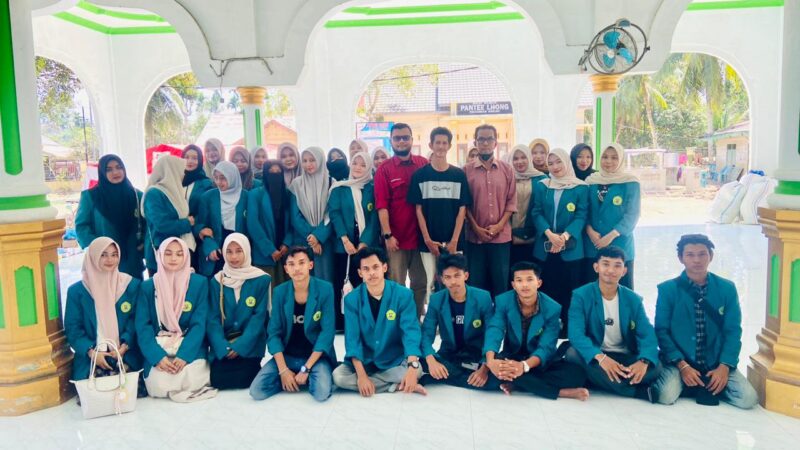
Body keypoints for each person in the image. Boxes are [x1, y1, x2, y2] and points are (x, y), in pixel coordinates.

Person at [651, 234, 758, 408]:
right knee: (665, 395)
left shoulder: (727, 288)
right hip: (680, 362)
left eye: (702, 254)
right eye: (690, 255)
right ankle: (698, 383)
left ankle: (706, 383)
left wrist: (724, 366)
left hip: (716, 361)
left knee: (748, 399)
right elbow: (661, 331)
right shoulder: (668, 289)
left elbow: (733, 330)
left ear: (711, 256)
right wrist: (682, 366)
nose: (697, 260)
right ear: (681, 258)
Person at [566, 246, 661, 401]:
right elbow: (576, 335)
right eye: (605, 264)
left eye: (617, 265)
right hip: (597, 355)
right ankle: (636, 391)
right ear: (596, 267)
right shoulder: (581, 295)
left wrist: (643, 362)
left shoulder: (634, 299)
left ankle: (601, 381)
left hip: (626, 355)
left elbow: (647, 334)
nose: (611, 270)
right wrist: (601, 358)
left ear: (624, 271)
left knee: (657, 365)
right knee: (572, 354)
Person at [483, 261, 588, 400]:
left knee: (577, 375)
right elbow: (495, 330)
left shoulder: (552, 308)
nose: (524, 285)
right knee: (488, 374)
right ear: (513, 285)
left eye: (529, 279)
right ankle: (560, 392)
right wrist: (491, 362)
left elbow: (546, 347)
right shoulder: (503, 301)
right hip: (512, 357)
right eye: (519, 280)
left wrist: (524, 366)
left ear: (539, 283)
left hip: (538, 361)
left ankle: (517, 382)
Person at [332, 247, 426, 396]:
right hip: (365, 359)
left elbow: (410, 331)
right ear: (360, 273)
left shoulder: (403, 295)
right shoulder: (352, 300)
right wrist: (361, 376)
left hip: (393, 359)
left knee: (418, 369)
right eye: (366, 269)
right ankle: (395, 385)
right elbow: (352, 340)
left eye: (376, 267)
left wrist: (412, 365)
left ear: (384, 267)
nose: (371, 273)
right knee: (338, 377)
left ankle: (387, 382)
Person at [250, 247, 336, 401]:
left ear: (310, 265)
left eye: (301, 263)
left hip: (315, 357)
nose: (297, 268)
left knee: (322, 393)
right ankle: (291, 379)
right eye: (291, 264)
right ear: (286, 269)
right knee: (257, 391)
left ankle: (306, 377)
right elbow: (273, 334)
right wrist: (283, 370)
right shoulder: (280, 292)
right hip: (287, 355)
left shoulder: (325, 289)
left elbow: (327, 333)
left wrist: (306, 369)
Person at [136, 238, 217, 402]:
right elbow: (143, 327)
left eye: (179, 254)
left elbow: (199, 324)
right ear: (160, 256)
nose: (174, 258)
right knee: (158, 384)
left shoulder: (198, 283)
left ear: (186, 257)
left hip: (189, 346)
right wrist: (157, 357)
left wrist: (184, 355)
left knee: (193, 378)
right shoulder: (148, 287)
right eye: (168, 253)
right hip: (160, 347)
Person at [408, 126, 471, 304]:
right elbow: (418, 210)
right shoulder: (420, 175)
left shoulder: (458, 175)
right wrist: (428, 240)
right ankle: (433, 317)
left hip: (454, 242)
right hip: (427, 242)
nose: (441, 146)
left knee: (455, 281)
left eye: (444, 143)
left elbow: (462, 210)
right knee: (430, 283)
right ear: (431, 145)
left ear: (449, 146)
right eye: (438, 143)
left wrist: (454, 241)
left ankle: (454, 315)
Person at [65, 237, 142, 381]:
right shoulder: (77, 292)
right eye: (103, 255)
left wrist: (124, 346)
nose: (110, 260)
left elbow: (136, 321)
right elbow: (73, 329)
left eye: (114, 254)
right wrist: (92, 353)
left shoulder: (130, 285)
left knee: (128, 386)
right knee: (96, 388)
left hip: (125, 354)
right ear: (93, 257)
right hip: (91, 358)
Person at [530, 148, 589, 336]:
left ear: (566, 162)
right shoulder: (542, 185)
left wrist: (564, 237)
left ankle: (570, 331)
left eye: (558, 162)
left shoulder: (580, 187)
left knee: (570, 290)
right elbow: (536, 212)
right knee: (548, 289)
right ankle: (549, 329)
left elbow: (581, 215)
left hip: (571, 250)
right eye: (551, 163)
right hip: (545, 247)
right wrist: (550, 234)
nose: (555, 167)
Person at [374, 123, 428, 318]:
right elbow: (382, 206)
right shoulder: (384, 169)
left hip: (421, 239)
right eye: (397, 138)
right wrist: (388, 235)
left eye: (405, 137)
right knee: (396, 283)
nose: (402, 141)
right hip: (396, 240)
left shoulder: (423, 164)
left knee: (420, 283)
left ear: (412, 140)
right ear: (391, 141)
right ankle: (397, 323)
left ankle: (415, 321)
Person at [420, 253, 496, 390]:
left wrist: (485, 367)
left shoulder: (483, 297)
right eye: (448, 277)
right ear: (442, 279)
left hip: (475, 354)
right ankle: (465, 377)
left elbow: (492, 334)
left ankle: (441, 377)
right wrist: (431, 361)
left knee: (496, 372)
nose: (453, 282)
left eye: (457, 276)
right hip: (449, 354)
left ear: (465, 276)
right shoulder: (437, 300)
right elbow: (426, 333)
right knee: (421, 360)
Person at [207, 234, 270, 390]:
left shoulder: (261, 279)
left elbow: (259, 318)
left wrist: (240, 346)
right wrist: (223, 347)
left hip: (250, 345)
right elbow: (213, 319)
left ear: (246, 251)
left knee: (244, 379)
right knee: (217, 380)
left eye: (238, 251)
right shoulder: (217, 281)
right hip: (224, 344)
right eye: (229, 251)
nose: (234, 257)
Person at [327, 151, 379, 331]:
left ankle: (367, 321)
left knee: (367, 281)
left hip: (367, 244)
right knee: (343, 281)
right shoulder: (340, 187)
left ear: (369, 168)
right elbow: (334, 213)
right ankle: (343, 323)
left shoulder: (372, 188)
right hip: (343, 245)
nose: (358, 168)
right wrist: (345, 239)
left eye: (363, 165)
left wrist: (364, 242)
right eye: (355, 163)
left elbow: (374, 218)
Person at [464, 124, 517, 297]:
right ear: (475, 142)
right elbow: (464, 205)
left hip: (501, 238)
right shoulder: (466, 171)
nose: (485, 143)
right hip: (474, 238)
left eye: (489, 139)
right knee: (476, 286)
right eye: (481, 139)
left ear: (495, 143)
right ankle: (479, 316)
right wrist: (476, 228)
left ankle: (500, 316)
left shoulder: (507, 170)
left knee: (501, 285)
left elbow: (511, 202)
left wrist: (499, 226)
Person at [75, 154, 145, 278]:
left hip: (132, 260)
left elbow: (147, 224)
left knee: (132, 289)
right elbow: (82, 226)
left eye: (119, 167)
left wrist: (143, 243)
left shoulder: (137, 196)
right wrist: (98, 247)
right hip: (104, 260)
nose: (115, 172)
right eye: (109, 169)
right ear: (102, 172)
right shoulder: (91, 196)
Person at [584, 143, 641, 289]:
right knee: (594, 289)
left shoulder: (630, 182)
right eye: (605, 157)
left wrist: (611, 236)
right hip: (593, 244)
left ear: (621, 159)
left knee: (622, 290)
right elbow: (584, 210)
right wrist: (590, 231)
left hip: (620, 243)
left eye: (614, 158)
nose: (608, 161)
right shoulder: (591, 181)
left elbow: (632, 214)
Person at [142, 155, 196, 276]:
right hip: (161, 254)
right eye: (181, 170)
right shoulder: (154, 193)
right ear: (171, 171)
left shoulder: (173, 191)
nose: (183, 174)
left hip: (176, 253)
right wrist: (187, 223)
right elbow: (162, 224)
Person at [195, 161, 249, 276]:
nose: (219, 182)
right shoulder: (208, 197)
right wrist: (209, 246)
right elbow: (201, 226)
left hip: (239, 249)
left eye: (223, 178)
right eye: (216, 178)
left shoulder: (246, 197)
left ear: (232, 177)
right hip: (216, 248)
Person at [289, 147, 334, 283]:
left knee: (325, 278)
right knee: (303, 279)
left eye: (312, 160)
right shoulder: (296, 184)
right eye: (305, 161)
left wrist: (318, 236)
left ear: (320, 160)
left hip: (324, 240)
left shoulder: (331, 182)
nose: (308, 164)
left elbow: (331, 213)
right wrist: (311, 238)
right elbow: (295, 216)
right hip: (303, 240)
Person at [247, 159, 291, 282]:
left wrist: (286, 243)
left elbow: (291, 223)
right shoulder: (255, 195)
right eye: (271, 171)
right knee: (267, 289)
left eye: (278, 171)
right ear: (265, 174)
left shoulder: (287, 194)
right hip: (264, 254)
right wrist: (270, 249)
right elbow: (253, 224)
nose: (275, 174)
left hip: (284, 253)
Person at [505, 144, 547, 267]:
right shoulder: (507, 178)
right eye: (515, 158)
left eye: (523, 157)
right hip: (509, 237)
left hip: (535, 236)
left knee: (533, 271)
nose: (520, 161)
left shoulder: (542, 179)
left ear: (529, 158)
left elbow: (544, 209)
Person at [182, 145, 214, 220]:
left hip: (197, 225)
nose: (190, 161)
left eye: (194, 158)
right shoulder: (176, 180)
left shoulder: (207, 184)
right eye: (186, 157)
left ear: (200, 161)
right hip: (175, 225)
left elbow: (208, 210)